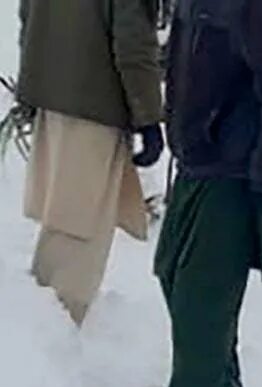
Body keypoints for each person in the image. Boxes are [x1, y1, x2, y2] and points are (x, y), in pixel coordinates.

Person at [150, 0, 262, 387]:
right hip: (195, 158)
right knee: (170, 270)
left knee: (203, 285)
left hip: (232, 164)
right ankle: (221, 383)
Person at [15, 0, 164, 325]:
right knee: (80, 225)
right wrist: (149, 116)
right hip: (94, 102)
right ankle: (52, 333)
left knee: (62, 214)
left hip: (52, 92)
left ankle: (40, 324)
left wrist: (30, 86)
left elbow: (28, 14)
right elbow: (132, 40)